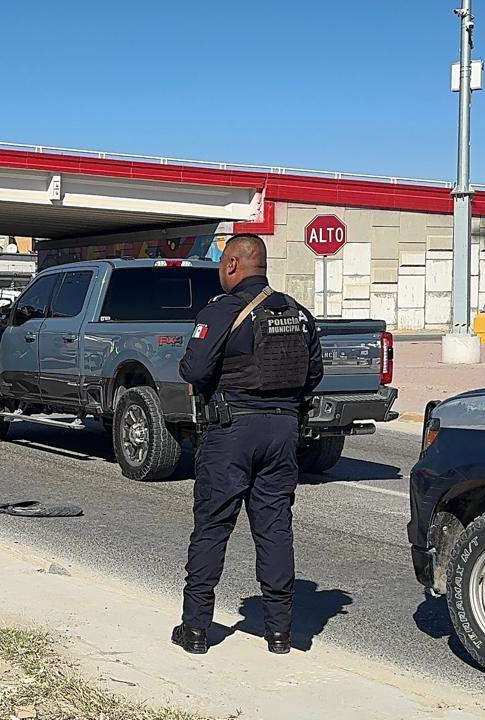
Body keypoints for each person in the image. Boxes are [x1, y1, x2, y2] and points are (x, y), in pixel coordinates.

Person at [173, 234, 323, 656]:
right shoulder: (297, 313)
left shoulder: (223, 310)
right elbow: (313, 375)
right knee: (274, 529)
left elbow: (194, 369)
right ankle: (280, 634)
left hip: (231, 432)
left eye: (223, 263)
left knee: (212, 528)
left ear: (234, 265)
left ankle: (196, 629)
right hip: (283, 432)